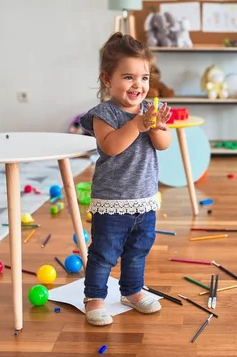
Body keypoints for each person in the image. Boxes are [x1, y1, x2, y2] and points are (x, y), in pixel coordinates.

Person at [79, 32, 172, 326]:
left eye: (144, 78)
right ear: (108, 79)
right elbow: (111, 146)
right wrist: (138, 123)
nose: (138, 85)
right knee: (104, 253)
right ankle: (94, 297)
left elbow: (163, 144)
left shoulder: (148, 111)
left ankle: (131, 291)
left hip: (144, 198)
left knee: (138, 250)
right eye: (129, 77)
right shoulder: (103, 113)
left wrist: (157, 125)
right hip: (112, 200)